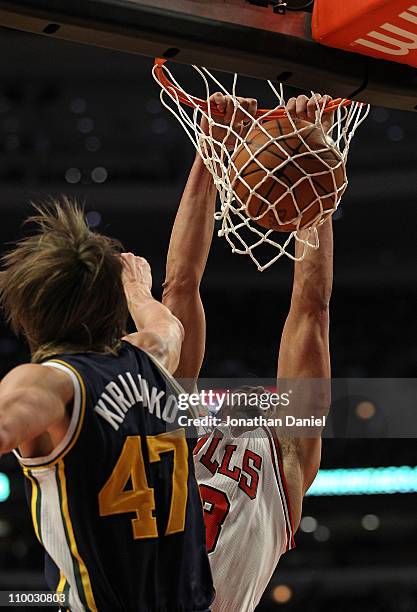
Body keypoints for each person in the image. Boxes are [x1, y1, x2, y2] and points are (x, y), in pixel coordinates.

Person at [160, 92, 334, 611]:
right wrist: (311, 191)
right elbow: (312, 309)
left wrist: (209, 153)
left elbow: (180, 287)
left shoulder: (172, 427)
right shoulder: (288, 459)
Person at [0, 202, 214, 611]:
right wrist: (135, 288)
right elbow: (169, 327)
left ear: (28, 316)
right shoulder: (153, 358)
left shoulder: (51, 383)